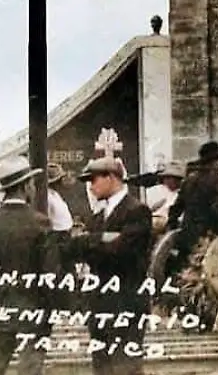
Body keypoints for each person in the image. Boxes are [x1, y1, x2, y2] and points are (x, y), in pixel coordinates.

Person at [0, 155, 61, 375]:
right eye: (32, 184)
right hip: (33, 313)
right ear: (26, 186)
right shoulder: (40, 224)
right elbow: (51, 275)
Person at [72, 156, 153, 375]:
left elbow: (122, 252)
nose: (91, 185)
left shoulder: (137, 211)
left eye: (94, 178)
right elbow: (79, 249)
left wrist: (91, 241)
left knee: (126, 367)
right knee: (102, 367)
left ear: (112, 177)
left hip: (127, 303)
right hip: (100, 305)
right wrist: (102, 239)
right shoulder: (98, 217)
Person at [164, 142, 218, 276]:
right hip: (207, 239)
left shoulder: (189, 180)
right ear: (214, 161)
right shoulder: (215, 181)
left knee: (186, 274)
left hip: (187, 236)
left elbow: (176, 208)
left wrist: (172, 226)